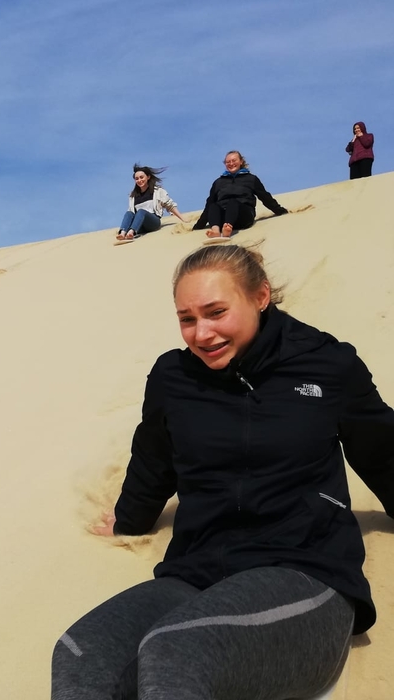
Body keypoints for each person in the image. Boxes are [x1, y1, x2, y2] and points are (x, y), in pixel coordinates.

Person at [51, 244, 394, 700]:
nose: (202, 333)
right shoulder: (173, 377)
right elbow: (154, 459)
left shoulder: (328, 365)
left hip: (304, 569)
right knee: (81, 650)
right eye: (187, 318)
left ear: (260, 296)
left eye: (216, 312)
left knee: (177, 650)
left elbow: (382, 452)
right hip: (197, 570)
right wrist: (130, 517)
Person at [193, 151, 289, 238]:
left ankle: (228, 228)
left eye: (234, 160)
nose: (231, 164)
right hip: (223, 217)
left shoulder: (251, 179)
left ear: (241, 161)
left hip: (244, 216)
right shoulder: (218, 182)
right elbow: (209, 205)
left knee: (233, 202)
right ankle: (216, 231)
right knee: (213, 206)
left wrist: (280, 211)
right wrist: (198, 226)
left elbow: (264, 197)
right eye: (228, 162)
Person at [116, 165, 186, 241]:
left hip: (153, 223)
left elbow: (170, 205)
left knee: (141, 212)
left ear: (148, 177)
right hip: (139, 225)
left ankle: (131, 232)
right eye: (137, 179)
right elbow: (131, 213)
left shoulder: (157, 191)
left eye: (141, 177)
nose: (139, 180)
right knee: (129, 213)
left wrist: (183, 219)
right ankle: (123, 233)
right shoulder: (132, 196)